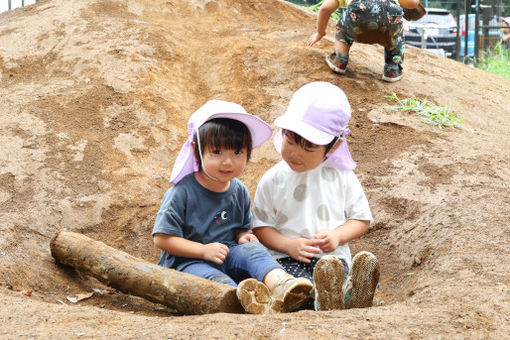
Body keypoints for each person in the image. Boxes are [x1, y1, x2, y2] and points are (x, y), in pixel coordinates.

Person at [152, 99, 313, 314]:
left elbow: (240, 227)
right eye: (217, 152)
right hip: (189, 263)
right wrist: (202, 250)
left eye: (237, 152)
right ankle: (242, 299)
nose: (228, 162)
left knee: (254, 250)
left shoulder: (239, 191)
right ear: (197, 149)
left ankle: (283, 286)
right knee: (215, 281)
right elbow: (162, 239)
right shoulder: (182, 193)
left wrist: (242, 236)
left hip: (228, 254)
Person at [252, 82, 380, 311]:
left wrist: (337, 236)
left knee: (332, 274)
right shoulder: (273, 179)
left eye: (308, 148)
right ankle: (327, 299)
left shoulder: (342, 176)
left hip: (332, 259)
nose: (294, 152)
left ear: (333, 146)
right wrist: (288, 245)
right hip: (285, 259)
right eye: (289, 141)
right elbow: (261, 227)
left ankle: (347, 293)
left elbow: (361, 219)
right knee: (295, 287)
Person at [307, 0, 422, 82]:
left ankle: (340, 59)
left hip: (358, 23)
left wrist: (320, 33)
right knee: (396, 35)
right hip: (388, 25)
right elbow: (412, 3)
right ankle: (392, 69)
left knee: (343, 27)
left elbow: (325, 9)